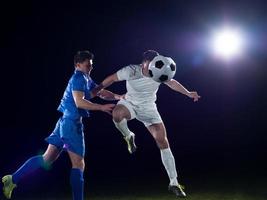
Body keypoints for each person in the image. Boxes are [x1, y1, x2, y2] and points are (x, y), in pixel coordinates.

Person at [2, 50, 122, 200]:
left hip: (64, 123)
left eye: (91, 65)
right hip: (71, 124)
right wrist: (101, 107)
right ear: (78, 65)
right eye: (88, 66)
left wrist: (118, 97)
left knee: (47, 159)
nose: (91, 68)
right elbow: (79, 102)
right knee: (78, 164)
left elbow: (99, 92)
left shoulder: (85, 78)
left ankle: (11, 180)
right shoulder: (78, 78)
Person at [94, 50, 201, 197]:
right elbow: (111, 79)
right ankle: (128, 135)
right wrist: (96, 90)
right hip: (129, 103)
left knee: (162, 141)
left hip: (148, 109)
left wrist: (188, 93)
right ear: (144, 63)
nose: (150, 68)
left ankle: (174, 183)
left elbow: (172, 82)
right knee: (117, 114)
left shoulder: (158, 71)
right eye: (149, 65)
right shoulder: (131, 70)